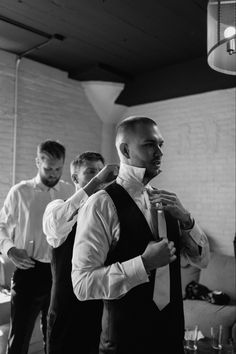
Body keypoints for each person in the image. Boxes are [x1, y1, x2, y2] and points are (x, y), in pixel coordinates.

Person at [72, 116, 210, 354]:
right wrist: (143, 263)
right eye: (149, 144)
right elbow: (82, 284)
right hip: (125, 341)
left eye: (161, 144)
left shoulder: (167, 201)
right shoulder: (101, 204)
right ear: (125, 150)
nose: (159, 152)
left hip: (170, 335)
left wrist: (187, 220)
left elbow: (202, 260)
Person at [0, 140, 74, 354]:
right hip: (28, 271)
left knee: (55, 334)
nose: (53, 174)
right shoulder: (20, 192)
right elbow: (2, 225)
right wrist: (10, 249)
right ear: (37, 163)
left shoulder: (70, 191)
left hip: (60, 272)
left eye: (58, 169)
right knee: (20, 336)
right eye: (48, 168)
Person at [43, 151, 119, 354]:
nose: (100, 176)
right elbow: (56, 225)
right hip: (64, 311)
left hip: (95, 312)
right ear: (75, 178)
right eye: (91, 172)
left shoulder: (106, 215)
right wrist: (97, 182)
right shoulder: (58, 207)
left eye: (101, 172)